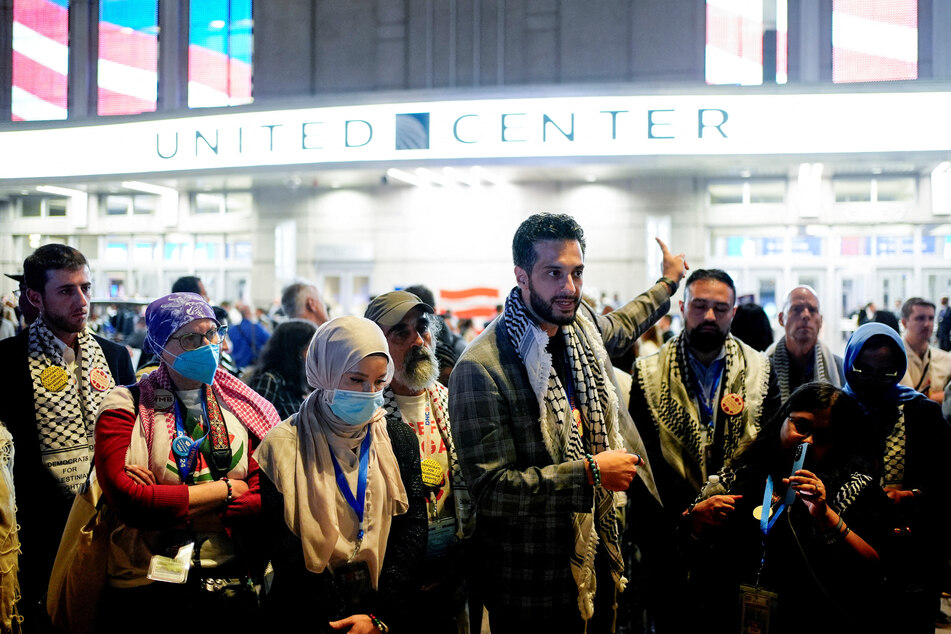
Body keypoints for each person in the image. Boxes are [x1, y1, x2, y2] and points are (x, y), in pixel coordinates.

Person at [449, 212, 686, 632]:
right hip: (530, 587)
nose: (570, 288)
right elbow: (491, 491)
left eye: (576, 273)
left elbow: (625, 322)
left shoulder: (581, 328)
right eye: (554, 273)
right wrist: (592, 474)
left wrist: (668, 283)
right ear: (521, 276)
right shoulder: (481, 367)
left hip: (599, 564)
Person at [93, 292, 280, 630]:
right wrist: (226, 490)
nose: (207, 345)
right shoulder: (125, 404)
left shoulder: (243, 405)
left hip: (231, 579)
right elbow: (129, 501)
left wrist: (164, 510)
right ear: (161, 344)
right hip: (145, 584)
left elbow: (264, 498)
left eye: (212, 333)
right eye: (191, 337)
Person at [256, 316, 426, 633]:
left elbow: (411, 530)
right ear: (326, 374)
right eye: (355, 380)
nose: (369, 393)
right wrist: (338, 617)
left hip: (380, 615)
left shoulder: (397, 439)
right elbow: (283, 545)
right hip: (306, 613)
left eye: (378, 382)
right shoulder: (282, 445)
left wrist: (377, 616)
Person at [0, 244, 135, 629]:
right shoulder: (7, 360)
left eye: (86, 288)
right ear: (35, 297)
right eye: (66, 290)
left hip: (106, 517)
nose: (82, 301)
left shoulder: (115, 355)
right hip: (38, 528)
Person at [684, 383, 887, 633]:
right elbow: (684, 546)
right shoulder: (740, 475)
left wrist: (825, 516)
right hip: (732, 614)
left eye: (823, 437)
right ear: (783, 418)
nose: (808, 442)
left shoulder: (855, 488)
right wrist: (696, 521)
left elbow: (875, 566)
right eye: (800, 426)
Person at [365, 291, 474, 633]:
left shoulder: (452, 401)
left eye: (422, 328)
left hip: (450, 582)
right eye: (401, 332)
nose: (417, 340)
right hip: (389, 587)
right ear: (376, 344)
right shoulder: (364, 412)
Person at [630, 269, 781, 514]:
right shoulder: (649, 372)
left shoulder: (760, 369)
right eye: (699, 306)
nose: (709, 316)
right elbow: (645, 457)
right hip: (672, 518)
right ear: (682, 306)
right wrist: (690, 516)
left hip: (739, 516)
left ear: (733, 313)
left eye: (720, 309)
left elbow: (767, 449)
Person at [842, 322, 951, 632]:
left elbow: (946, 477)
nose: (873, 381)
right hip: (847, 550)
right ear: (850, 363)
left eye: (886, 372)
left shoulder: (921, 412)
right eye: (864, 370)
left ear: (899, 369)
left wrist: (914, 496)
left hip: (912, 555)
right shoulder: (836, 410)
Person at [766, 285, 844, 402]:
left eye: (812, 310)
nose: (806, 315)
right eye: (796, 309)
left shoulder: (839, 368)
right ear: (781, 319)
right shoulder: (763, 369)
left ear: (821, 321)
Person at [248, 319, 318, 419]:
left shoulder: (306, 380)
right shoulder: (270, 381)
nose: (316, 354)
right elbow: (259, 425)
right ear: (294, 350)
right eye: (310, 348)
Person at [898, 297, 951, 404]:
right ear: (904, 323)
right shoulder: (894, 357)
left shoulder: (945, 359)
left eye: (931, 318)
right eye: (920, 318)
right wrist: (941, 396)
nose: (927, 324)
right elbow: (908, 400)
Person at [230, 302, 271, 369]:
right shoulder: (256, 327)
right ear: (250, 313)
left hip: (237, 367)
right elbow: (270, 341)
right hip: (252, 366)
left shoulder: (232, 329)